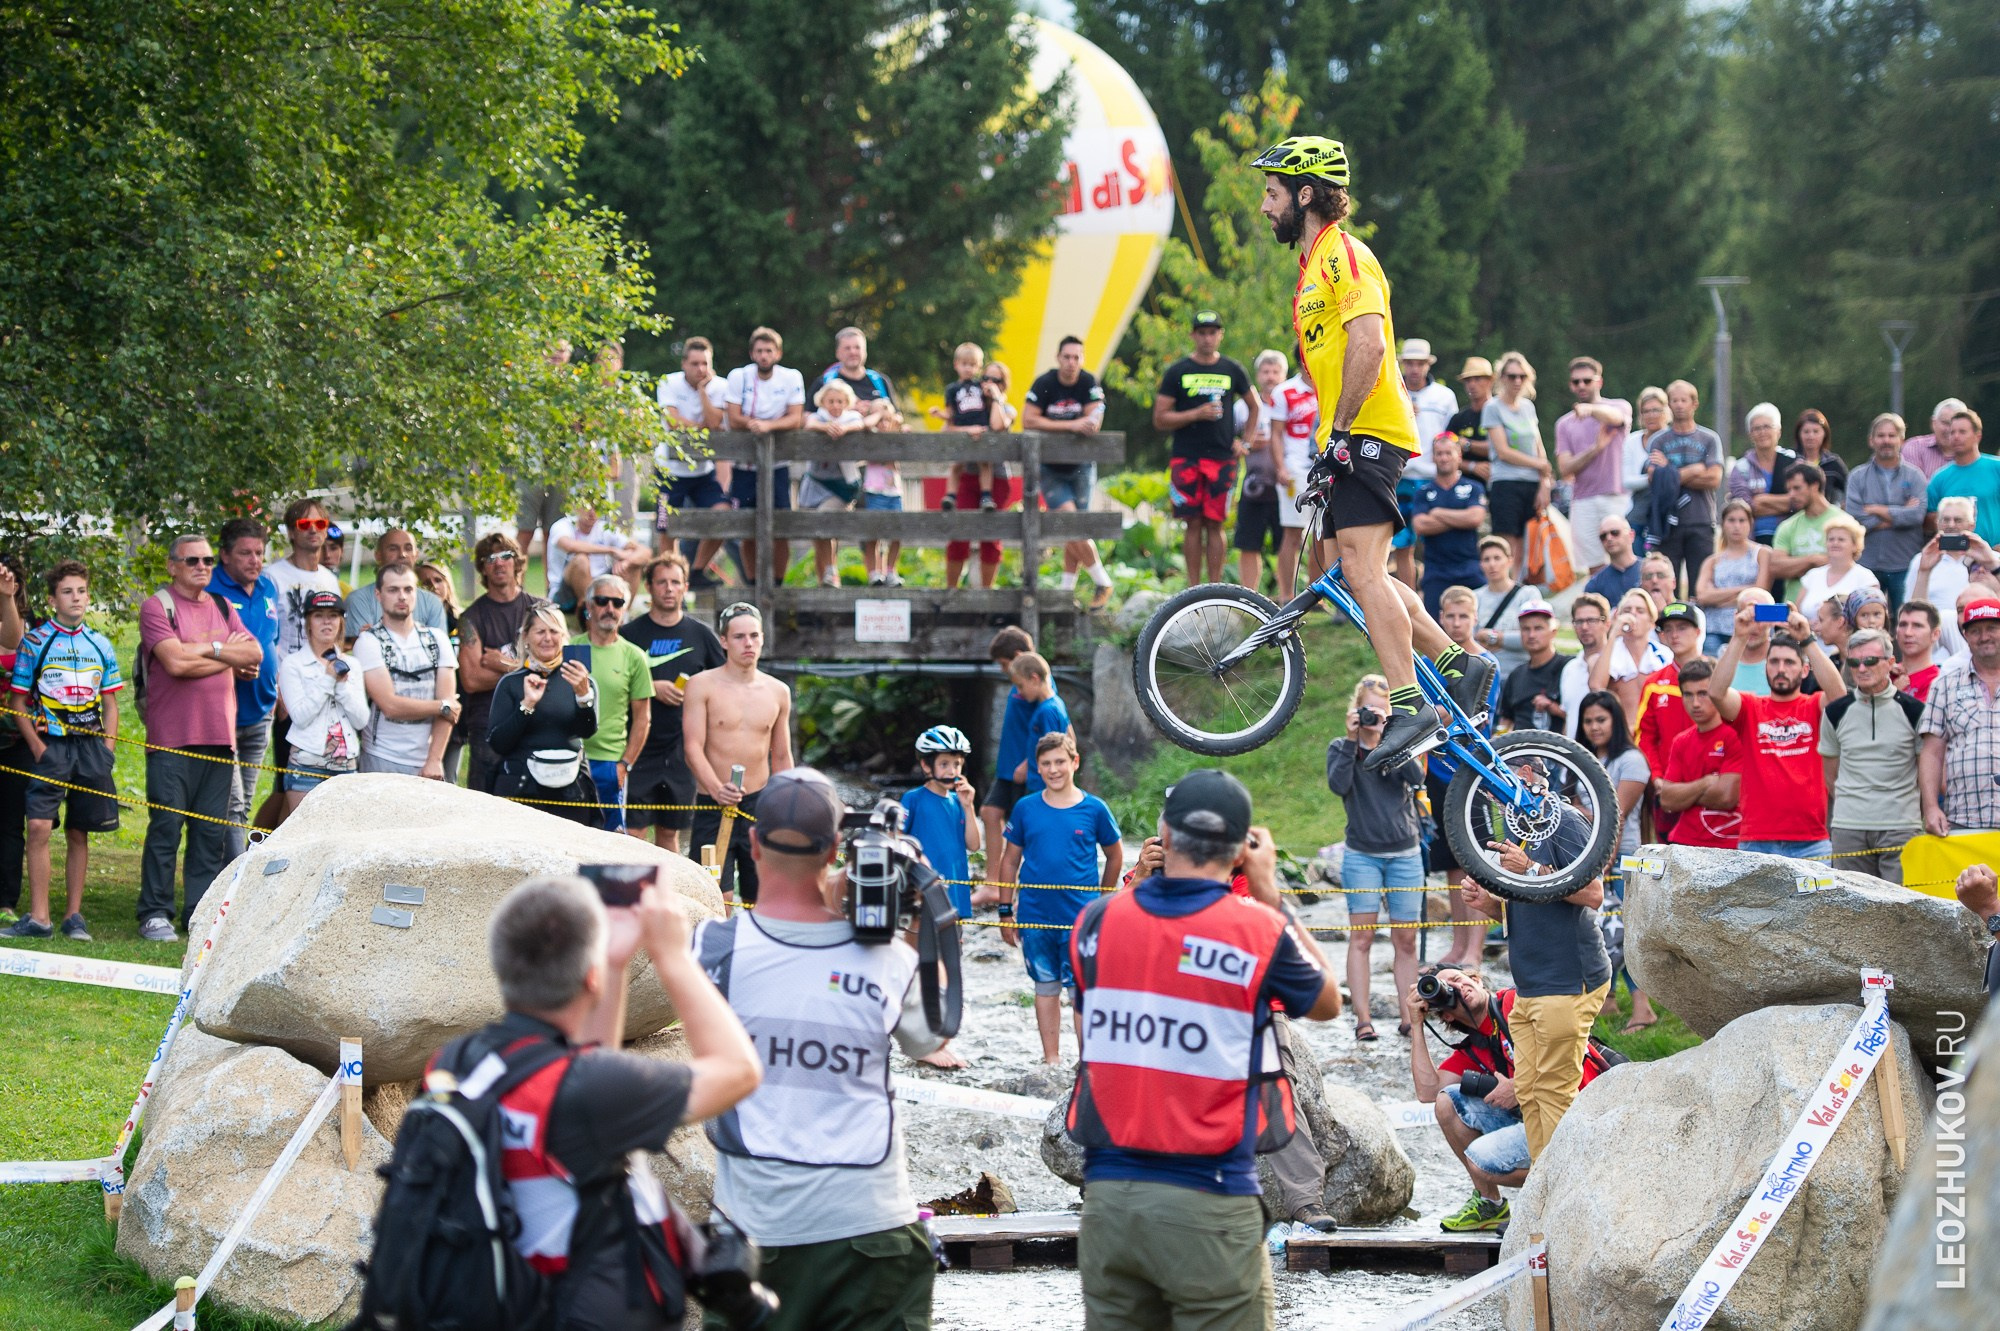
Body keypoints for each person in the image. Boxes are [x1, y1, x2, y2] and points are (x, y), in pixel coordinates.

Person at [416, 872, 758, 1331]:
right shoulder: (588, 1090)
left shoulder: (456, 1063)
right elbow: (739, 1072)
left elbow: (586, 1078)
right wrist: (672, 957)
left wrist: (614, 965)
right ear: (589, 978)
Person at [1253, 135, 1495, 768]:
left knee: (1360, 570)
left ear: (1305, 194)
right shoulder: (1313, 266)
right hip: (1352, 432)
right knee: (1363, 575)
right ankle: (1457, 663)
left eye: (1271, 193)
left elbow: (1370, 346)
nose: (1262, 207)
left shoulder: (1344, 256)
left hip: (1367, 431)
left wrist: (1337, 433)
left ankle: (1411, 704)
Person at [1068, 768, 1340, 1329]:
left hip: (1108, 1199)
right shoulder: (1255, 928)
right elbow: (1327, 1001)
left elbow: (1088, 1030)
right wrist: (1271, 896)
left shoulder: (1095, 922)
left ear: (1164, 832)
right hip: (1207, 1195)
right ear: (1242, 849)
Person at [691, 768, 945, 1331]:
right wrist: (904, 924)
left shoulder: (710, 950)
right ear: (836, 849)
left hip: (755, 1237)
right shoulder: (887, 961)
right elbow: (933, 1036)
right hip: (871, 1229)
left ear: (752, 842)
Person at [1455, 795, 1610, 1163]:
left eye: (1497, 777)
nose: (1490, 793)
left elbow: (1593, 894)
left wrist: (1529, 869)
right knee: (1529, 1091)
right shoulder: (1516, 822)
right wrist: (1489, 904)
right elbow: (1527, 912)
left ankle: (1560, 1199)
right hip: (1528, 987)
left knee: (1555, 1092)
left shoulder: (1566, 819)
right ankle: (1543, 1196)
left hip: (1567, 980)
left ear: (1525, 770)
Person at [1408, 964, 1608, 1233]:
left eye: (1459, 979)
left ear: (1477, 981)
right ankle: (1490, 1205)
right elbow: (1427, 1092)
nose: (1459, 988)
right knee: (1447, 1102)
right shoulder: (1475, 1046)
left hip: (1581, 1114)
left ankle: (1568, 1185)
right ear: (1445, 1014)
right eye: (1448, 991)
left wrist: (1519, 1086)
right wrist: (1416, 1023)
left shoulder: (1516, 1003)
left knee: (1481, 1161)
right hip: (1538, 1118)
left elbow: (1564, 1049)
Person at [138, 534, 262, 943]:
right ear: (173, 565)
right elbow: (173, 662)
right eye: (192, 560)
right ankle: (155, 912)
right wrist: (221, 649)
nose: (202, 567)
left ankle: (198, 912)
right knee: (166, 829)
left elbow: (252, 655)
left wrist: (204, 652)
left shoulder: (224, 606)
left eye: (208, 560)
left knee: (209, 834)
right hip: (171, 739)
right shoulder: (158, 606)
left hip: (219, 739)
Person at [980, 733, 1122, 1065]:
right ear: (1037, 769)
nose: (1054, 769)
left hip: (1081, 920)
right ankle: (1051, 1059)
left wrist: (1102, 903)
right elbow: (1010, 861)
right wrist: (1005, 911)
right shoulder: (1026, 808)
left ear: (1075, 762)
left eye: (1060, 762)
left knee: (1080, 991)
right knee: (1045, 987)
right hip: (1034, 916)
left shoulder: (1095, 809)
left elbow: (1114, 856)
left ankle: (1088, 1063)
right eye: (1046, 764)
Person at [5, 562, 123, 941]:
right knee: (38, 826)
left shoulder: (100, 644)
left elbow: (111, 703)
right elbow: (16, 701)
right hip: (51, 746)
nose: (76, 598)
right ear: (53, 599)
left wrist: (108, 747)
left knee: (79, 830)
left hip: (90, 748)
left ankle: (74, 916)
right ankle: (39, 917)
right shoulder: (35, 642)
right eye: (68, 592)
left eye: (82, 591)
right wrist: (38, 746)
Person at [1328, 675, 1425, 1042]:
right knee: (1362, 939)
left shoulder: (1401, 743)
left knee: (1406, 941)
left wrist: (1392, 738)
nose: (1373, 717)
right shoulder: (1342, 747)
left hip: (1405, 854)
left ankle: (1408, 1017)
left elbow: (1417, 778)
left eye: (1381, 712)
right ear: (1355, 711)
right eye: (1367, 710)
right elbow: (1338, 786)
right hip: (1362, 856)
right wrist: (1354, 740)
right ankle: (1363, 1020)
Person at [1712, 602, 1847, 858]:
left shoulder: (1814, 705)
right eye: (1773, 662)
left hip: (1812, 841)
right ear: (1765, 668)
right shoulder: (1751, 707)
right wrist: (1739, 636)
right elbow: (1716, 693)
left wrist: (1807, 640)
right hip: (1757, 840)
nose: (1781, 669)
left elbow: (1839, 696)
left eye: (1789, 662)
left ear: (1805, 669)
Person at [684, 603, 793, 906]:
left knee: (761, 896)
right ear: (723, 640)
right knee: (716, 896)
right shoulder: (701, 685)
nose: (748, 643)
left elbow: (782, 756)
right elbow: (692, 746)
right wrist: (717, 789)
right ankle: (717, 951)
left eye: (754, 636)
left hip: (758, 803)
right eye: (739, 637)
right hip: (712, 801)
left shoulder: (778, 691)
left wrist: (785, 805)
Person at [620, 554, 727, 853]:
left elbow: (723, 686)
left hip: (682, 750)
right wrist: (651, 688)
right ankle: (632, 896)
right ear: (649, 587)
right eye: (662, 582)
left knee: (669, 834)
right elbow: (613, 684)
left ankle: (670, 897)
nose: (669, 588)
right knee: (633, 833)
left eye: (675, 582)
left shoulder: (702, 635)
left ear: (685, 587)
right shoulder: (629, 636)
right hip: (637, 747)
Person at [1427, 588, 1502, 969]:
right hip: (1437, 772)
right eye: (1449, 616)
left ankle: (1475, 949)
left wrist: (1440, 715)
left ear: (1474, 619)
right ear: (1440, 616)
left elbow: (1481, 716)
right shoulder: (1428, 660)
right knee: (1452, 862)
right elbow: (1423, 713)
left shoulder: (1485, 663)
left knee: (1478, 860)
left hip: (1474, 772)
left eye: (1463, 617)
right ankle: (1458, 945)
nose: (1455, 624)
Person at [1576, 689, 1659, 1030]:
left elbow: (1616, 815)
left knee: (1626, 935)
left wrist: (1604, 861)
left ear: (1616, 721)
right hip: (1594, 856)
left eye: (1601, 719)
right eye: (1588, 721)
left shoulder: (1632, 761)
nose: (1594, 727)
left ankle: (1644, 1008)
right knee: (1601, 932)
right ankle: (1607, 1000)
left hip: (1622, 858)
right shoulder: (1583, 759)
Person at [1155, 311, 1256, 587]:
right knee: (1192, 523)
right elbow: (1160, 417)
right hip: (1186, 458)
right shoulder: (1178, 370)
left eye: (1213, 332)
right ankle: (1193, 588)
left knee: (1215, 523)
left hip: (1222, 459)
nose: (1207, 338)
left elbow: (1254, 405)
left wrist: (1244, 441)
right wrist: (1195, 414)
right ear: (1193, 335)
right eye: (1202, 332)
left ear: (1220, 335)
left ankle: (1213, 587)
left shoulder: (1232, 369)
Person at [258, 497, 342, 826]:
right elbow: (269, 637)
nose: (313, 531)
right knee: (284, 782)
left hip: (321, 687)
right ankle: (254, 847)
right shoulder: (273, 575)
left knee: (314, 781)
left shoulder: (329, 579)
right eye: (304, 525)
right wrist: (278, 689)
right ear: (291, 532)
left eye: (319, 524)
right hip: (288, 688)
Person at [1819, 628, 1923, 883]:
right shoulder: (1835, 712)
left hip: (1901, 827)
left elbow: (1926, 772)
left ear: (1889, 663)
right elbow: (1830, 775)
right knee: (1851, 913)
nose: (1862, 668)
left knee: (1904, 910)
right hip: (1848, 825)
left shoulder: (1915, 710)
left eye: (1870, 661)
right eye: (1854, 662)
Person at [487, 599, 600, 825]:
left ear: (563, 636)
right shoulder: (510, 683)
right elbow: (498, 743)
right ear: (526, 637)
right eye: (540, 631)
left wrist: (583, 697)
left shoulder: (581, 680)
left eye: (553, 631)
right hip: (522, 788)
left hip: (570, 789)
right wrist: (526, 705)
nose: (547, 638)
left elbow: (586, 731)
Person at [1023, 334, 1114, 607]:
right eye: (1067, 357)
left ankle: (1065, 592)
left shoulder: (1088, 382)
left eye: (1076, 357)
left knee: (1075, 530)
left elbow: (1094, 417)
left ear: (1082, 359)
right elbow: (1028, 419)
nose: (1071, 362)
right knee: (1071, 523)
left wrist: (1084, 422)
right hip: (1050, 468)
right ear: (1058, 357)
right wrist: (1071, 425)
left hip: (1082, 466)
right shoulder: (1045, 383)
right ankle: (1102, 580)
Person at [209, 517, 281, 859]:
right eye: (245, 554)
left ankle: (227, 878)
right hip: (224, 713)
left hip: (261, 710)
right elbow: (201, 647)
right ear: (224, 555)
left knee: (244, 802)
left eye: (259, 552)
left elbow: (273, 642)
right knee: (232, 804)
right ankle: (232, 883)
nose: (254, 560)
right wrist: (231, 665)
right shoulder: (210, 590)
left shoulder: (269, 588)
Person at [812, 329, 905, 587]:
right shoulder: (826, 380)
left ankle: (876, 577)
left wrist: (880, 416)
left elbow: (897, 416)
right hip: (834, 470)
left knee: (876, 525)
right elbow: (807, 417)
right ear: (838, 352)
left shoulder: (879, 381)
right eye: (848, 348)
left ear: (864, 351)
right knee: (827, 523)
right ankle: (830, 578)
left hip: (875, 466)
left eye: (857, 347)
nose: (853, 352)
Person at [351, 562, 459, 781]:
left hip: (428, 761)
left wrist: (435, 760)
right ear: (378, 595)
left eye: (408, 589)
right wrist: (441, 706)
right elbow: (390, 705)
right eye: (393, 590)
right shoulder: (368, 641)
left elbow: (450, 711)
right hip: (382, 756)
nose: (402, 596)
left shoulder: (437, 639)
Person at [724, 326, 806, 586]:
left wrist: (768, 426)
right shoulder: (739, 377)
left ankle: (778, 581)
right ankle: (751, 581)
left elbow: (795, 418)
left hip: (777, 465)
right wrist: (755, 424)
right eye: (759, 351)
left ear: (778, 353)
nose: (764, 355)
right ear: (752, 354)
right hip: (744, 465)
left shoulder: (791, 377)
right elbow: (733, 417)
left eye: (768, 350)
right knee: (747, 528)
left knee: (781, 526)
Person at [569, 575, 651, 833]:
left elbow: (643, 718)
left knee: (612, 841)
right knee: (571, 835)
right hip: (572, 758)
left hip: (610, 763)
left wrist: (625, 765)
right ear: (589, 606)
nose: (610, 609)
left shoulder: (633, 656)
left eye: (617, 602)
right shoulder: (571, 648)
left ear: (625, 609)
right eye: (602, 601)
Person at [276, 590, 368, 812]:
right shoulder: (292, 664)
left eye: (333, 615)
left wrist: (342, 685)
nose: (327, 621)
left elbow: (361, 720)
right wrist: (328, 680)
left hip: (346, 767)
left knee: (342, 839)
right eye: (319, 615)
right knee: (304, 841)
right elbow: (299, 717)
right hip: (306, 768)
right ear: (308, 622)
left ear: (341, 621)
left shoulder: (352, 664)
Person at [458, 533, 534, 795]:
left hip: (536, 718)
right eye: (490, 558)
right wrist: (528, 668)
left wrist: (503, 663)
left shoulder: (540, 610)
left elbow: (556, 666)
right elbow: (471, 679)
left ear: (517, 562)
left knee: (536, 807)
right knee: (484, 806)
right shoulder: (470, 618)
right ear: (482, 568)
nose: (499, 563)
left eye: (506, 556)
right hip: (488, 723)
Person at [655, 334, 732, 587]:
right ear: (684, 364)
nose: (700, 369)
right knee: (666, 528)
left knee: (724, 516)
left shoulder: (719, 385)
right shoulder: (668, 382)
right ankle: (669, 581)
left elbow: (714, 422)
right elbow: (673, 421)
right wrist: (704, 429)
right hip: (669, 470)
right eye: (695, 364)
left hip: (702, 472)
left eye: (705, 364)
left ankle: (696, 572)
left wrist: (702, 392)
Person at [1919, 596, 2000, 837]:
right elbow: (1932, 752)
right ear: (1965, 636)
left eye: (1992, 628)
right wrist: (1931, 807)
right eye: (1975, 630)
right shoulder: (1944, 685)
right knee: (1969, 877)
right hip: (1965, 818)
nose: (1984, 636)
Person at [942, 357, 1021, 591]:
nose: (988, 382)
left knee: (990, 537)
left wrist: (996, 397)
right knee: (960, 533)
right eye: (985, 378)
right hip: (968, 475)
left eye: (995, 379)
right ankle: (951, 593)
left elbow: (998, 425)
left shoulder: (1006, 408)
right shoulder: (965, 404)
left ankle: (987, 594)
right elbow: (947, 429)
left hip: (996, 478)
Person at [1656, 658, 1744, 849]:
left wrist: (1685, 795)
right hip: (1685, 842)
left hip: (1730, 843)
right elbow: (1667, 799)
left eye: (1703, 694)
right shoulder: (1681, 741)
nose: (1695, 703)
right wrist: (1706, 783)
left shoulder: (1736, 734)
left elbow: (1726, 796)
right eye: (1688, 695)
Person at [977, 626, 1042, 884]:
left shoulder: (1037, 682)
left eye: (1004, 664)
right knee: (990, 812)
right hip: (1007, 769)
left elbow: (1050, 732)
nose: (1002, 670)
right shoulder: (1021, 683)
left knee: (1018, 827)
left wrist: (1029, 764)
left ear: (1017, 655)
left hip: (1020, 771)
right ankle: (993, 880)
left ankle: (1011, 881)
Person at [1844, 412, 1927, 612]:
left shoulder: (1915, 475)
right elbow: (1855, 519)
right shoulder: (1857, 476)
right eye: (1881, 436)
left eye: (1892, 435)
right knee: (1864, 619)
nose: (1886, 441)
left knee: (1906, 619)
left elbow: (1917, 515)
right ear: (1871, 440)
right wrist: (1900, 514)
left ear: (1901, 440)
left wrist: (1878, 510)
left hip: (1905, 562)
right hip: (1867, 563)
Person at [1557, 357, 1633, 573]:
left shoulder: (1618, 405)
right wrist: (1595, 449)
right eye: (1576, 382)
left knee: (1624, 559)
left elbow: (1616, 418)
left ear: (1599, 382)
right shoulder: (1565, 424)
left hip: (1616, 496)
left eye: (1587, 380)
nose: (1581, 385)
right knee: (1595, 567)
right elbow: (1565, 468)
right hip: (1583, 500)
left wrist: (1590, 409)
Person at [1397, 338, 1458, 587]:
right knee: (1402, 543)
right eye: (1410, 363)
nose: (1414, 369)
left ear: (1428, 365)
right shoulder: (1391, 391)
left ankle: (1442, 593)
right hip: (1401, 476)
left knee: (1438, 538)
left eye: (1419, 363)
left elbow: (1451, 436)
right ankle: (1408, 599)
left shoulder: (1444, 396)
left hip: (1434, 476)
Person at [902, 725, 980, 920]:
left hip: (955, 894)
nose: (951, 771)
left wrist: (969, 807)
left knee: (955, 947)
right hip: (922, 891)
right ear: (927, 765)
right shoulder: (913, 799)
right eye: (944, 764)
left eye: (957, 764)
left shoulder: (958, 801)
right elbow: (898, 840)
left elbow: (974, 845)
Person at [1481, 350, 1549, 564]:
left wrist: (1545, 482)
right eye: (1512, 376)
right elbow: (1503, 451)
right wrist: (1539, 464)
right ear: (1502, 378)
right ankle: (1507, 589)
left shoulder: (1528, 407)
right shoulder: (1492, 407)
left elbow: (1538, 445)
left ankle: (1522, 589)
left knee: (1527, 544)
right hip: (1506, 483)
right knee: (1506, 545)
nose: (1517, 381)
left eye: (1522, 376)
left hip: (1532, 484)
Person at [1409, 433, 1487, 619]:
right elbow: (1420, 526)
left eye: (1448, 453)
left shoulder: (1473, 487)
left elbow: (1475, 518)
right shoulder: (1424, 492)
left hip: (1470, 568)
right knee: (1435, 626)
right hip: (1436, 571)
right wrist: (1460, 518)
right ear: (1433, 457)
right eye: (1439, 453)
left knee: (1478, 622)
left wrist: (1438, 514)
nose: (1443, 458)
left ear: (1458, 456)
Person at [799, 378, 865, 588]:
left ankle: (831, 570)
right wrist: (825, 427)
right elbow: (808, 423)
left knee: (824, 521)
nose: (835, 406)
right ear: (823, 402)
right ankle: (824, 580)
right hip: (816, 481)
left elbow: (860, 423)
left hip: (842, 483)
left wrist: (844, 430)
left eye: (839, 401)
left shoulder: (851, 417)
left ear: (846, 402)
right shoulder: (818, 417)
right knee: (815, 533)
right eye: (831, 401)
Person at [514, 338, 576, 560]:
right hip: (531, 468)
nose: (556, 354)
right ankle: (515, 587)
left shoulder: (574, 387)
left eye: (561, 349)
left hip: (562, 469)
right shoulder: (528, 385)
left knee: (554, 532)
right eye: (551, 349)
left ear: (568, 354)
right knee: (525, 530)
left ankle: (551, 589)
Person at [1234, 349, 1291, 594]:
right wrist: (1245, 441)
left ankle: (1287, 596)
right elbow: (1230, 439)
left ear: (1284, 375)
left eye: (1275, 372)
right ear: (1257, 375)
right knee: (1249, 544)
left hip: (1285, 482)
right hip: (1254, 484)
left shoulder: (1291, 399)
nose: (1270, 377)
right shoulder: (1243, 406)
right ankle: (1249, 595)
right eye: (1265, 372)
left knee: (1287, 543)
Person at [1908, 496, 1994, 653]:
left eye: (1958, 520)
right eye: (1945, 520)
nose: (1951, 525)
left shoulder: (1990, 560)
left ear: (1971, 525)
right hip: (1936, 648)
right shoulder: (1921, 561)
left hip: (1985, 642)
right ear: (1938, 523)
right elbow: (1910, 609)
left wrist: (1991, 562)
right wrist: (1924, 571)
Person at [932, 341, 1007, 515]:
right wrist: (940, 414)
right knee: (957, 464)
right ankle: (950, 495)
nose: (968, 369)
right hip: (962, 429)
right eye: (964, 364)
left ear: (979, 367)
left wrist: (994, 394)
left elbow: (991, 405)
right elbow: (951, 414)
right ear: (956, 365)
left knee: (984, 462)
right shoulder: (952, 389)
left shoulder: (980, 387)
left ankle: (986, 495)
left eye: (973, 365)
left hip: (980, 430)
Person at [1271, 358, 1321, 601]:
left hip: (1323, 468)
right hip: (1294, 469)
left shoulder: (1328, 386)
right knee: (1292, 533)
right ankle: (1286, 595)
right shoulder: (1284, 391)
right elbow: (1276, 433)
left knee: (1320, 534)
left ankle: (1315, 594)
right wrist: (1280, 467)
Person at [1694, 499, 1772, 654]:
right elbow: (1702, 596)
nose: (1737, 526)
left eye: (1742, 520)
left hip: (1751, 627)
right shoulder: (1712, 561)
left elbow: (1760, 593)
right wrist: (1746, 589)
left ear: (1750, 523)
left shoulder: (1762, 553)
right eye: (1731, 520)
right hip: (1714, 629)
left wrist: (1717, 598)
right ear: (1723, 523)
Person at [341, 529, 448, 640]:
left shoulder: (432, 602)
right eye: (393, 549)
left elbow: (437, 648)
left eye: (408, 548)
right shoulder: (359, 599)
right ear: (378, 556)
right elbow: (362, 646)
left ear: (416, 555)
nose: (402, 554)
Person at [1588, 588, 1672, 726]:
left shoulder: (1664, 655)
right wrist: (1614, 634)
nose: (1633, 614)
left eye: (1640, 611)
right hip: (1623, 736)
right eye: (1627, 610)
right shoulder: (1608, 656)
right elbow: (1596, 687)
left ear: (1651, 622)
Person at [545, 506, 648, 614]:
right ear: (576, 507)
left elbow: (645, 552)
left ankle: (623, 615)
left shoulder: (605, 528)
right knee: (581, 560)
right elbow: (568, 545)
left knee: (634, 564)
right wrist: (611, 550)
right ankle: (591, 614)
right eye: (587, 507)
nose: (592, 512)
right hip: (564, 592)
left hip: (600, 584)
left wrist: (626, 563)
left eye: (596, 507)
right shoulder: (562, 526)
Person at [1926, 408, 2000, 546]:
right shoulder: (1940, 478)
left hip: (1994, 555)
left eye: (1962, 432)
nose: (1956, 437)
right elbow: (1928, 519)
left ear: (1977, 436)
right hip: (1955, 556)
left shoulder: (1996, 468)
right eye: (1952, 432)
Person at [1727, 401, 1797, 546]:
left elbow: (1800, 501)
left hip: (1791, 539)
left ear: (1778, 431)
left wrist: (1762, 499)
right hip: (1753, 541)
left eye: (1767, 427)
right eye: (1756, 428)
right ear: (1750, 434)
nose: (1762, 432)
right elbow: (1745, 508)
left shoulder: (1794, 463)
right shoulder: (1741, 468)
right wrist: (1786, 503)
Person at [1472, 536, 1540, 680]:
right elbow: (1470, 639)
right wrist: (1510, 638)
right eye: (1486, 559)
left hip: (1521, 675)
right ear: (1481, 565)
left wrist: (1494, 637)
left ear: (1509, 561)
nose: (1492, 564)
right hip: (1485, 677)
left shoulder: (1528, 594)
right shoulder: (1474, 597)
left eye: (1497, 558)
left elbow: (1534, 637)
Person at [1499, 598, 1570, 732]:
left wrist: (1552, 707)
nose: (1531, 635)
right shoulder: (1516, 675)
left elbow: (1582, 716)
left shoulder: (1568, 667)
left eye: (1538, 628)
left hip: (1558, 749)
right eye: (1526, 629)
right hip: (1519, 748)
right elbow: (1506, 720)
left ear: (1553, 632)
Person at [1007, 651, 1072, 795]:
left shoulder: (1047, 711)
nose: (1019, 692)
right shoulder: (1056, 703)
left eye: (1021, 686)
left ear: (1034, 679)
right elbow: (1070, 736)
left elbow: (1053, 750)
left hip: (1041, 786)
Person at [1792, 514, 1879, 614]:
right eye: (1831, 539)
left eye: (1841, 539)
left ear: (1855, 545)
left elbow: (1871, 615)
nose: (1835, 543)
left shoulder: (1866, 578)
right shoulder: (1812, 575)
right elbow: (1796, 613)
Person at [1558, 593, 1612, 741]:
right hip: (1573, 758)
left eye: (1591, 620)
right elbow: (1569, 718)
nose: (1584, 627)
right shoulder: (1570, 668)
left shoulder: (1618, 664)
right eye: (1579, 621)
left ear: (1607, 623)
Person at [1621, 387, 1669, 549]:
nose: (1651, 415)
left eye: (1656, 410)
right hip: (1638, 513)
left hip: (1666, 513)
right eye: (1645, 411)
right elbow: (1627, 481)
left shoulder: (1673, 439)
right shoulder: (1632, 441)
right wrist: (1650, 479)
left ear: (1665, 411)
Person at [1443, 356, 1495, 484]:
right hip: (1466, 488)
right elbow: (1443, 454)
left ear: (1490, 381)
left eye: (1477, 379)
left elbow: (1500, 448)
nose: (1472, 384)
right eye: (1468, 380)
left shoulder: (1500, 413)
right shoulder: (1458, 418)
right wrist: (1472, 467)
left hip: (1498, 483)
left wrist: (1467, 445)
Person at [1790, 408, 1848, 507]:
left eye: (1816, 431)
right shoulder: (1790, 459)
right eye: (1806, 432)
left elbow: (1849, 490)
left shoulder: (1833, 463)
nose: (1811, 436)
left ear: (1824, 434)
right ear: (1799, 434)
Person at [1901, 397, 1967, 480]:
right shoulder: (1914, 447)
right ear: (1933, 423)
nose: (1949, 429)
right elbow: (1913, 487)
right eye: (1945, 423)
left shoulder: (1969, 455)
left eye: (1953, 424)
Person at [1582, 515, 1642, 605]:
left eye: (1615, 532)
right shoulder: (1594, 586)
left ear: (1631, 535)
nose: (1609, 538)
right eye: (1603, 536)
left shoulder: (1650, 571)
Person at [1895, 599, 1943, 703]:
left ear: (1935, 634)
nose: (1908, 633)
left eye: (1917, 626)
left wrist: (1893, 693)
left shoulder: (1939, 681)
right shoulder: (1885, 673)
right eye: (1903, 625)